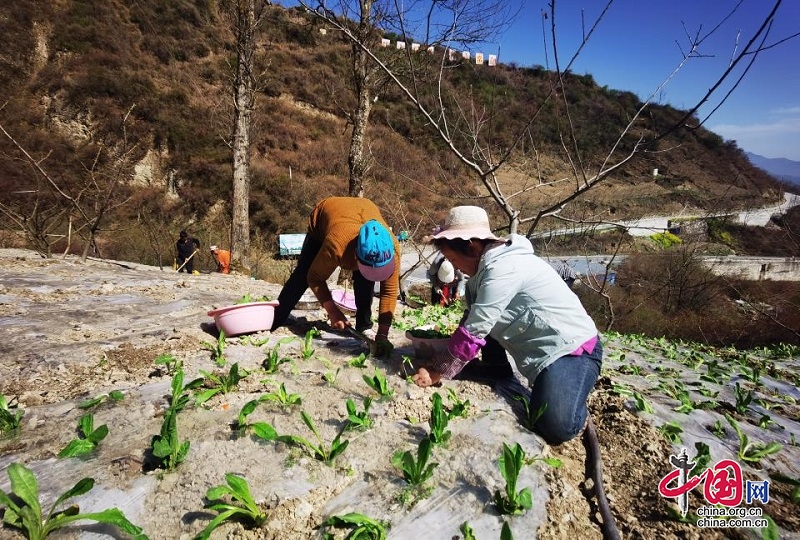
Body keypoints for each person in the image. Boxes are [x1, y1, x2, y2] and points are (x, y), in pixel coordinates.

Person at [413, 206, 602, 444]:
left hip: (569, 349)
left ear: (472, 246)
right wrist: (448, 353)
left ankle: (576, 395)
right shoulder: (483, 270)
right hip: (538, 346)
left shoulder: (503, 268)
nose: (455, 267)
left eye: (453, 259)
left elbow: (477, 327)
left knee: (556, 427)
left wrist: (437, 370)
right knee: (482, 315)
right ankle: (496, 368)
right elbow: (473, 318)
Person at [270, 197, 400, 357]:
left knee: (366, 280)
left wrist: (383, 334)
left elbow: (389, 292)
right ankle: (277, 317)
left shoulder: (392, 249)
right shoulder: (337, 244)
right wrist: (332, 311)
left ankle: (364, 326)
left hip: (364, 209)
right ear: (355, 255)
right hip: (324, 218)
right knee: (303, 273)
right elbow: (315, 278)